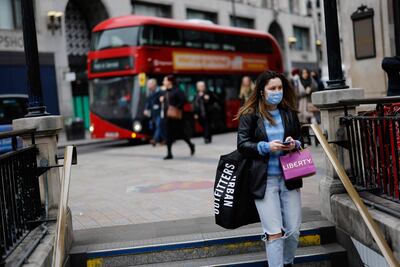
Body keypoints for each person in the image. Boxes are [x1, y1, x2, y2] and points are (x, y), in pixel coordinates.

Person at [236, 70, 302, 267]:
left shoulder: (289, 113)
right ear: (262, 91)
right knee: (274, 232)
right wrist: (266, 147)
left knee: (293, 231)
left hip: (289, 177)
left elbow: (300, 139)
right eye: (272, 88)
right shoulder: (250, 115)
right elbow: (242, 145)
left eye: (280, 88)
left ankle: (287, 263)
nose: (277, 91)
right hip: (264, 181)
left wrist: (294, 144)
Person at [160, 75, 195, 160]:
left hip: (176, 117)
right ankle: (169, 154)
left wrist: (175, 107)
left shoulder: (177, 91)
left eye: (165, 80)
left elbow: (184, 100)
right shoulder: (165, 92)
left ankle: (191, 145)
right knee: (168, 135)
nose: (163, 82)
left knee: (181, 134)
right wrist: (162, 99)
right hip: (167, 116)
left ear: (169, 81)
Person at [144, 79, 165, 146]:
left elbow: (164, 101)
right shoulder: (151, 93)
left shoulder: (160, 91)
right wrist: (146, 109)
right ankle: (164, 139)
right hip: (154, 113)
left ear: (154, 84)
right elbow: (148, 102)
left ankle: (155, 139)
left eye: (149, 84)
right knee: (159, 126)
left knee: (159, 126)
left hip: (160, 112)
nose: (148, 86)